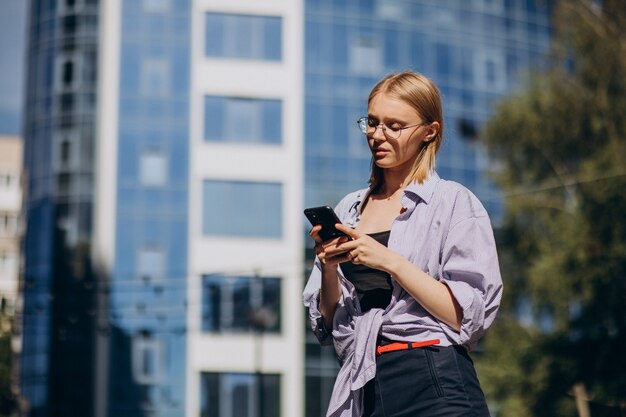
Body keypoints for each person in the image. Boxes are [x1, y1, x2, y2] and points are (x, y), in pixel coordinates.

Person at [303, 71, 503, 417]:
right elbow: (329, 321)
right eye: (373, 122)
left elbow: (466, 316)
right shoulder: (349, 208)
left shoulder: (453, 202)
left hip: (434, 376)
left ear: (430, 131)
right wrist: (329, 267)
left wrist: (389, 261)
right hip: (365, 382)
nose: (377, 135)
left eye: (394, 126)